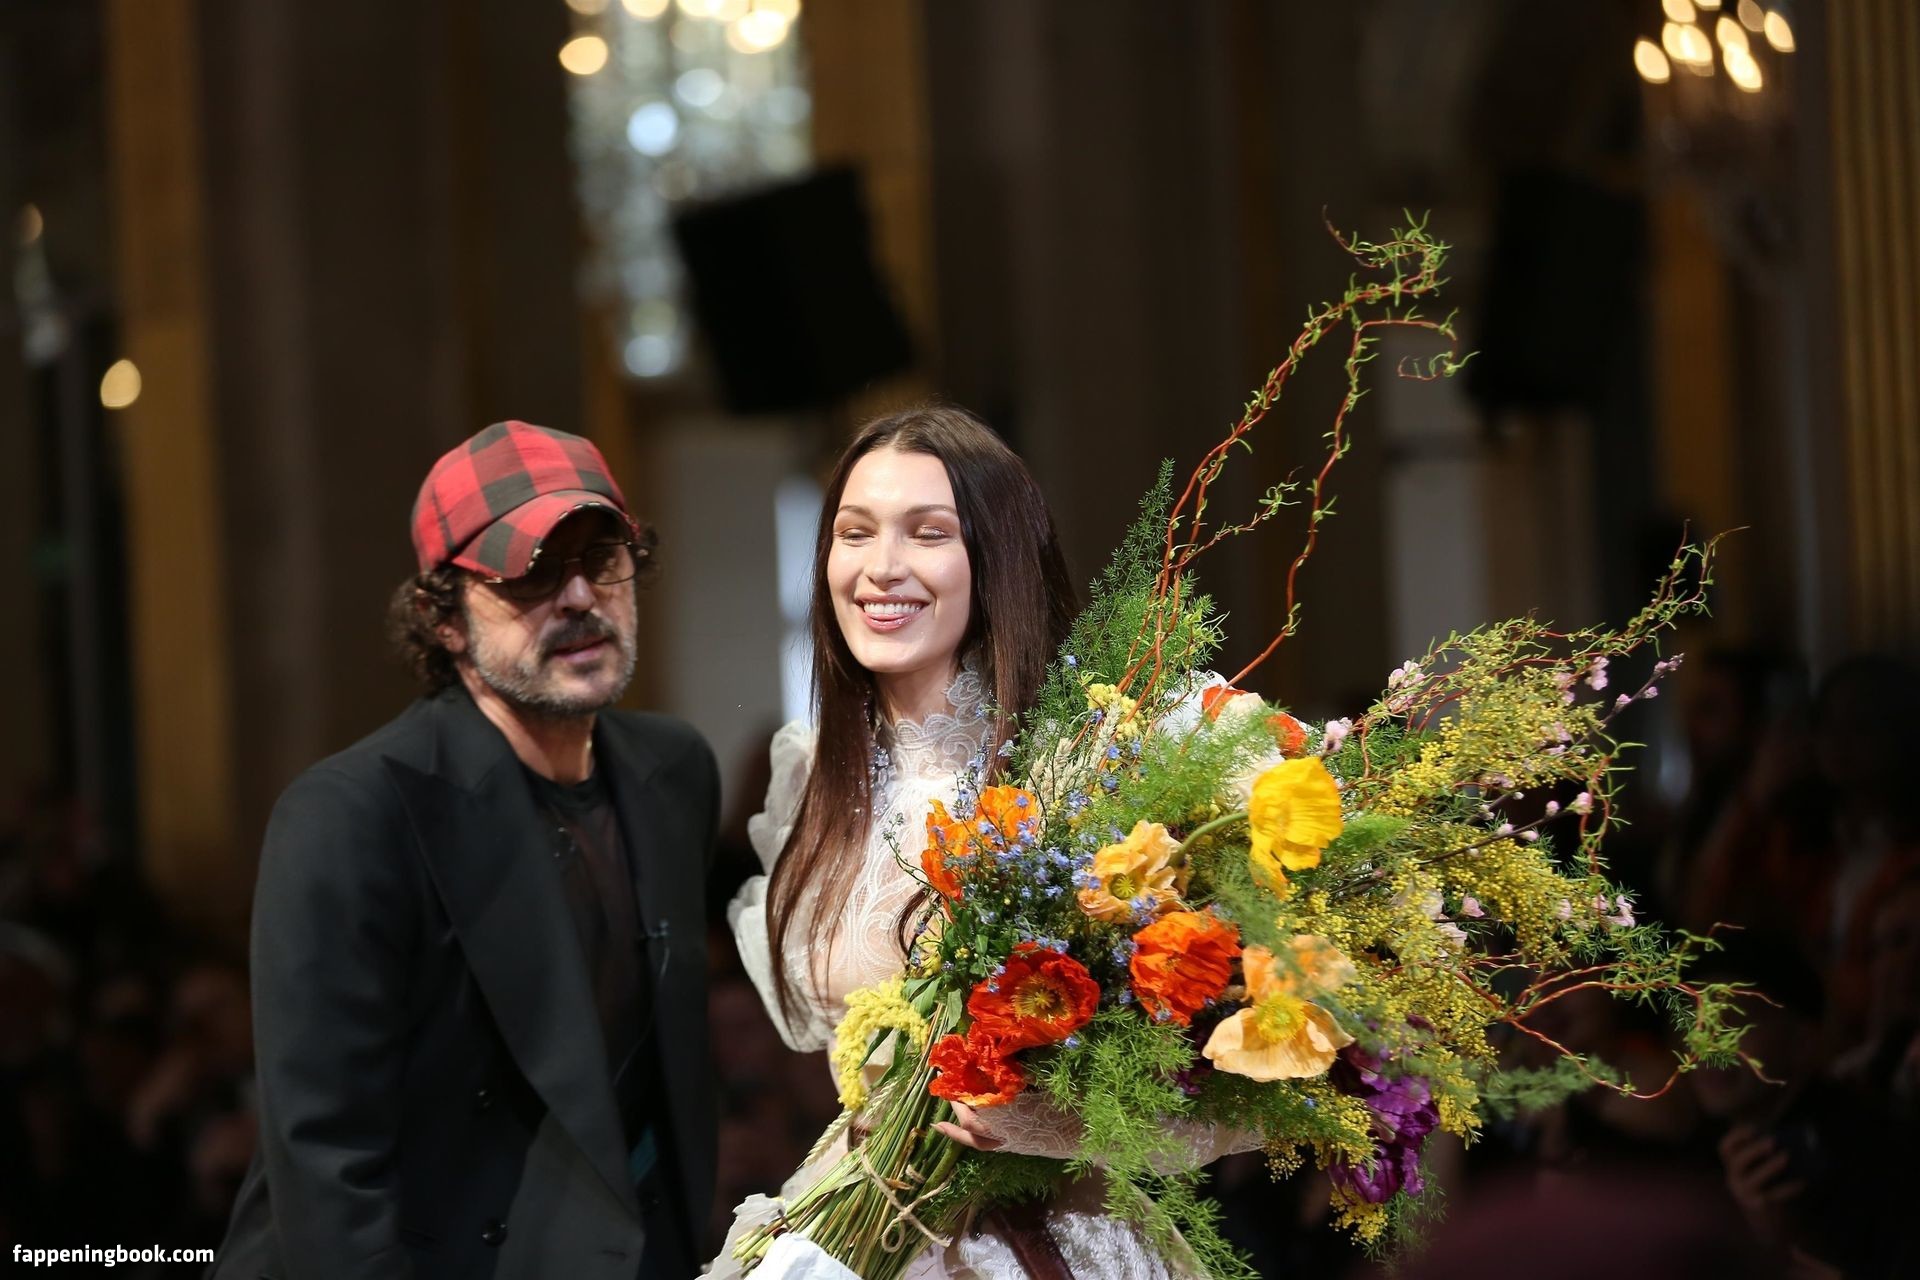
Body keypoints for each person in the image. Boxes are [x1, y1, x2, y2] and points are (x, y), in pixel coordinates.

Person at [713, 405, 1249, 1279]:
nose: (881, 568)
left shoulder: (1087, 766)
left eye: (928, 533)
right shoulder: (814, 776)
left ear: (995, 560)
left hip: (1042, 1240)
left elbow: (1227, 1076)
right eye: (854, 533)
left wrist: (1043, 1123)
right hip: (855, 1229)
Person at [209, 421, 720, 1280]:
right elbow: (329, 1165)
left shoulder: (674, 771)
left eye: (600, 559)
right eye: (531, 572)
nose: (579, 597)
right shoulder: (352, 815)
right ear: (442, 618)